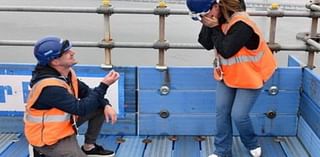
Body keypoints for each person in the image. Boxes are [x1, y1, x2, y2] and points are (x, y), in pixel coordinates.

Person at [186, 0, 277, 157]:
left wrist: (214, 27)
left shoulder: (242, 24)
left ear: (216, 6)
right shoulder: (217, 18)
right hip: (228, 75)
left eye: (203, 15)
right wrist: (208, 25)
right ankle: (222, 151)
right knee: (222, 111)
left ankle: (251, 143)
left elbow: (227, 50)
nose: (202, 19)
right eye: (197, 17)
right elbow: (206, 43)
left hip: (251, 76)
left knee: (239, 115)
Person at [24, 36, 120, 157]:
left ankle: (89, 147)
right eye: (66, 52)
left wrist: (106, 104)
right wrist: (104, 85)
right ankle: (39, 150)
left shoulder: (65, 73)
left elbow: (87, 93)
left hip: (64, 126)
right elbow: (81, 109)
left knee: (99, 106)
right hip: (48, 139)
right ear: (55, 61)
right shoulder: (50, 87)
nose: (72, 52)